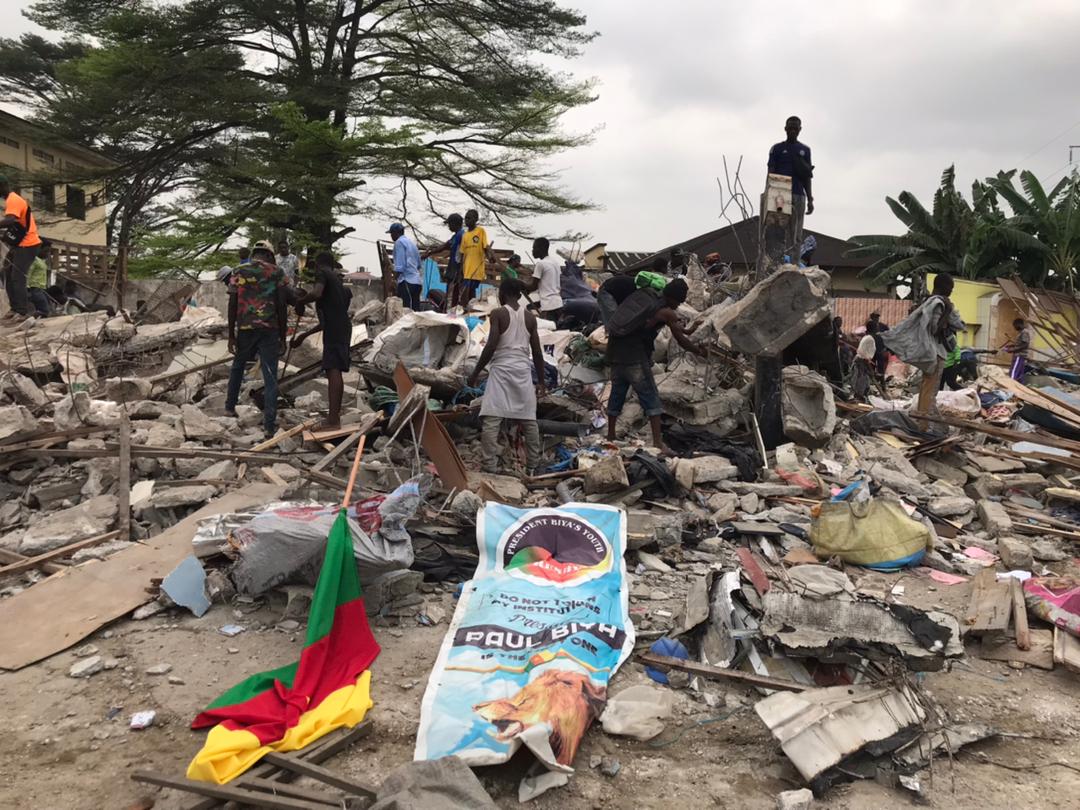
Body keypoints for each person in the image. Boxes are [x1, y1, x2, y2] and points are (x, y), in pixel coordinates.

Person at [606, 278, 704, 451]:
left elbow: (681, 330)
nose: (678, 306)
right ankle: (658, 443)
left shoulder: (649, 301)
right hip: (635, 358)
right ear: (672, 297)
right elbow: (681, 341)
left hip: (616, 355)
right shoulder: (666, 312)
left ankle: (611, 435)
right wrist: (700, 352)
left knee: (617, 393)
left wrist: (693, 328)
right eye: (679, 301)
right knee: (651, 398)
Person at [468, 278, 546, 475]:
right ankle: (533, 466)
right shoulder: (530, 318)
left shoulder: (498, 314)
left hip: (501, 370)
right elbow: (537, 352)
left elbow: (491, 345)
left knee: (492, 419)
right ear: (520, 295)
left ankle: (490, 465)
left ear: (502, 294)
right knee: (529, 419)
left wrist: (476, 372)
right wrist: (542, 381)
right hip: (522, 371)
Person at [883, 273, 964, 426]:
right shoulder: (939, 303)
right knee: (930, 389)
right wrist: (948, 314)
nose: (951, 291)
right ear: (942, 287)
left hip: (932, 351)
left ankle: (924, 421)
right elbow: (934, 328)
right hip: (936, 351)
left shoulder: (929, 302)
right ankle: (924, 424)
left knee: (928, 388)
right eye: (950, 288)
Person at [225, 240, 287, 438]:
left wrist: (231, 335)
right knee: (270, 376)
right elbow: (281, 305)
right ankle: (269, 425)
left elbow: (232, 303)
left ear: (254, 254)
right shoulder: (277, 272)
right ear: (269, 255)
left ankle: (229, 407)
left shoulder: (238, 271)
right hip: (269, 329)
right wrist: (283, 337)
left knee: (238, 366)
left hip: (245, 328)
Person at [292, 251, 353, 429]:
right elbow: (324, 322)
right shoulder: (340, 286)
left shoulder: (323, 273)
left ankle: (333, 420)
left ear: (318, 264)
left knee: (333, 370)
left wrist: (301, 302)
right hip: (342, 328)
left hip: (335, 329)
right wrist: (303, 336)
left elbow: (317, 293)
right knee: (334, 369)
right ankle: (334, 415)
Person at [767, 116, 814, 251]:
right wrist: (768, 195)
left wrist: (810, 199)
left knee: (796, 233)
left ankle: (793, 265)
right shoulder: (777, 148)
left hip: (798, 194)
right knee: (777, 231)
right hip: (779, 194)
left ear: (800, 130)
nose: (792, 131)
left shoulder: (805, 150)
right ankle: (777, 264)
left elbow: (807, 176)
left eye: (795, 128)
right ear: (785, 129)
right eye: (790, 128)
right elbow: (770, 173)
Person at [0, 175, 42, 320]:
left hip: (28, 244)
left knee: (17, 277)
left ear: (2, 186)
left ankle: (22, 311)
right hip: (19, 244)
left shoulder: (13, 199)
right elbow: (15, 224)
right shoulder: (10, 200)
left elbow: (10, 220)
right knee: (7, 272)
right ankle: (14, 308)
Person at [422, 213, 465, 309]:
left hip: (457, 271)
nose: (449, 226)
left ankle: (451, 315)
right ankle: (449, 313)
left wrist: (460, 272)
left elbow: (464, 255)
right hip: (452, 271)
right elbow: (444, 246)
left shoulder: (462, 236)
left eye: (449, 224)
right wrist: (430, 253)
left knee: (453, 297)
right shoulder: (455, 237)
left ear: (455, 223)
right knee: (450, 296)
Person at [459, 209, 495, 308]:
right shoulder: (465, 235)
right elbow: (462, 253)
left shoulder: (480, 231)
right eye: (465, 218)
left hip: (476, 269)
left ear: (475, 219)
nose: (466, 220)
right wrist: (461, 269)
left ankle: (470, 309)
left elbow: (485, 247)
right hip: (466, 269)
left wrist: (490, 257)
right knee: (466, 292)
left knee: (469, 291)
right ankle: (469, 309)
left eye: (469, 218)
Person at [526, 237, 562, 322]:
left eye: (534, 248)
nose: (532, 251)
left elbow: (533, 287)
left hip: (548, 307)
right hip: (558, 304)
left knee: (548, 332)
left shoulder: (540, 264)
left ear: (541, 248)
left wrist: (519, 284)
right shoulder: (555, 263)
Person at [388, 222, 422, 310]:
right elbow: (418, 264)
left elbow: (400, 267)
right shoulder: (412, 243)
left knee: (406, 312)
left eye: (391, 233)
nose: (391, 236)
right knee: (415, 310)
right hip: (417, 282)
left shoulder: (399, 243)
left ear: (396, 233)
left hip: (406, 281)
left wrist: (393, 280)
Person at [27, 240, 51, 317]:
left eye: (48, 252)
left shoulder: (42, 261)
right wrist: (26, 286)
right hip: (34, 287)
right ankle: (31, 317)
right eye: (46, 251)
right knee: (44, 309)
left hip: (41, 288)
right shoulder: (34, 260)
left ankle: (34, 317)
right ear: (39, 249)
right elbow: (28, 273)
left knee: (44, 305)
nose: (47, 254)